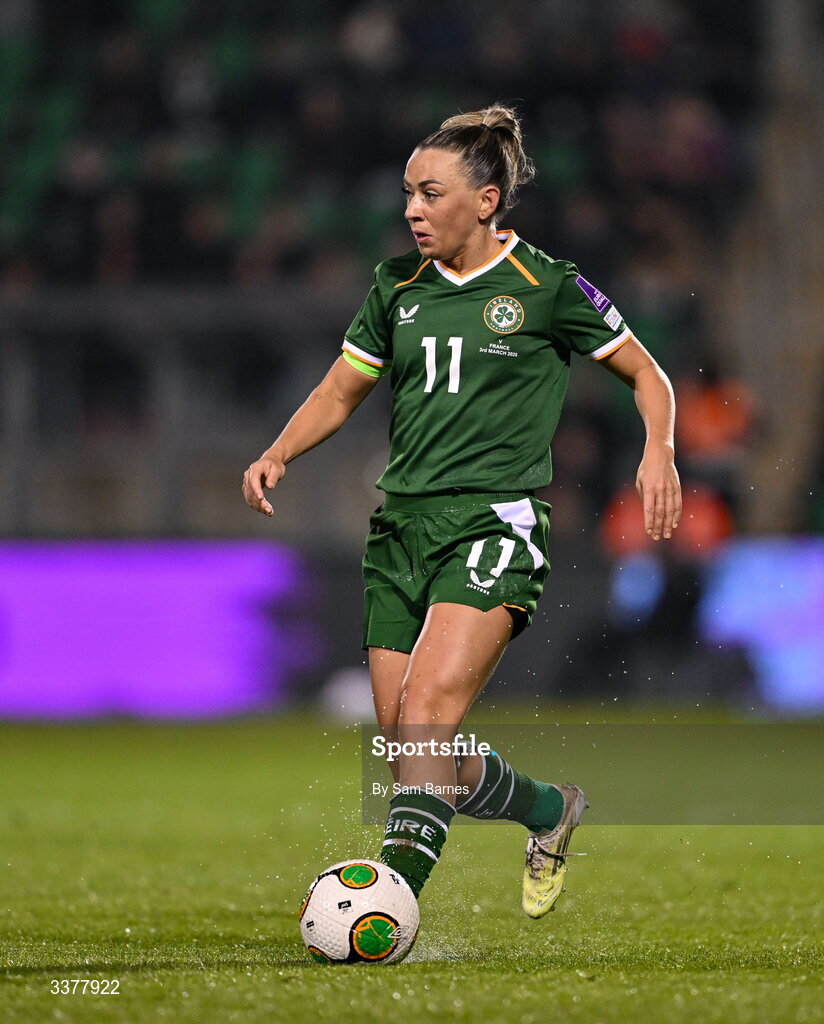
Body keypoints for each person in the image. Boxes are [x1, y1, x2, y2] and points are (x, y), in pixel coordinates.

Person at [242, 106, 682, 919]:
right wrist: (278, 452)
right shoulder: (395, 287)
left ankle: (385, 904)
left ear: (485, 201)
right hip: (399, 531)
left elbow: (645, 372)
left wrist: (658, 446)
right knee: (411, 746)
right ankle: (550, 810)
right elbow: (343, 387)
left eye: (430, 193)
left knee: (425, 714)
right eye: (408, 192)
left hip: (494, 524)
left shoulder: (547, 286)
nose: (412, 208)